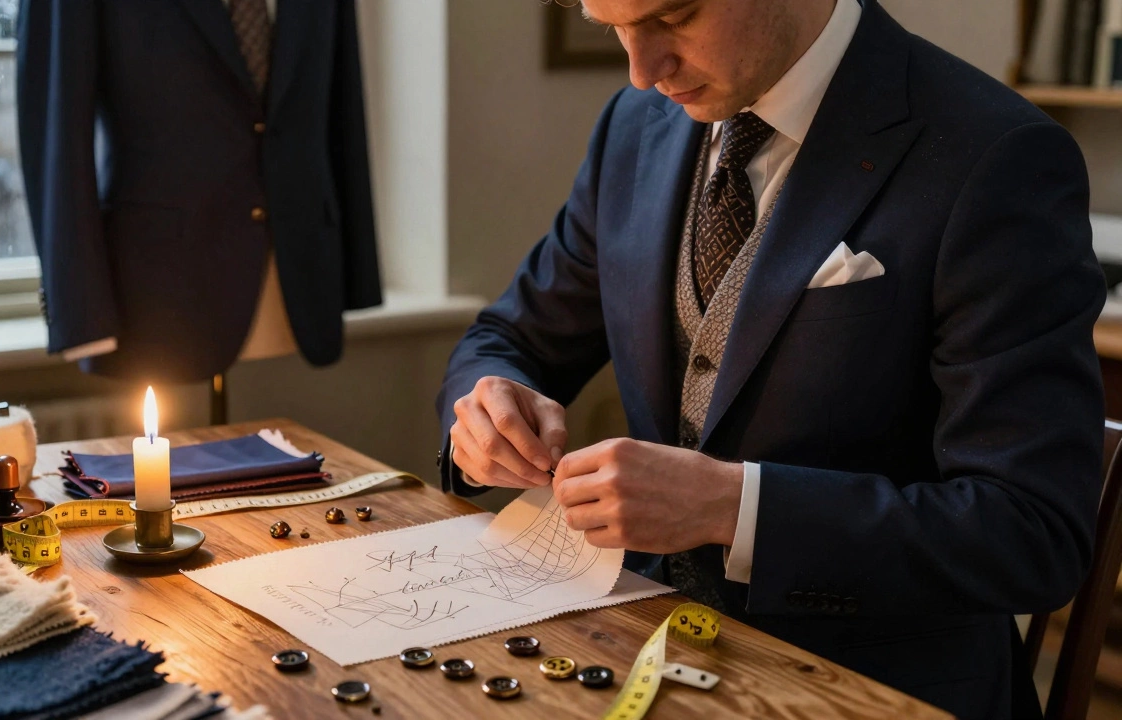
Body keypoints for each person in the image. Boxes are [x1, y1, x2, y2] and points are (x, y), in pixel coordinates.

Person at [436, 0, 1105, 716]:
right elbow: (510, 339)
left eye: (675, 17)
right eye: (613, 28)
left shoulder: (995, 154)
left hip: (871, 691)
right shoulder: (632, 130)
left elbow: (1030, 534)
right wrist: (488, 399)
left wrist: (733, 506)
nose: (640, 72)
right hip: (635, 654)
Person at [17, 0, 381, 384]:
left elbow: (343, 98)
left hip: (298, 270)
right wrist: (79, 309)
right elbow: (55, 122)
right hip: (157, 292)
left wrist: (356, 270)